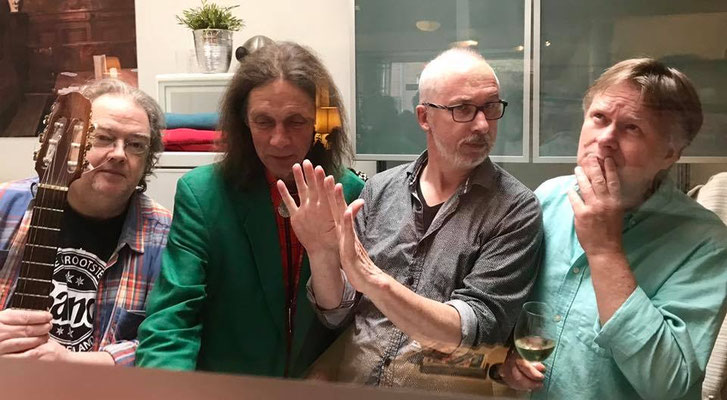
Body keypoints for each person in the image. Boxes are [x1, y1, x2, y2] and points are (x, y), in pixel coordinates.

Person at [279, 47, 543, 388]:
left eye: (491, 107)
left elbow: (476, 331)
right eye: (463, 109)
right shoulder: (380, 190)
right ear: (424, 117)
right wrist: (320, 254)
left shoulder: (515, 209)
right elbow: (337, 313)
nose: (482, 125)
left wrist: (373, 280)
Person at [498, 58, 727, 399]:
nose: (605, 138)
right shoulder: (548, 198)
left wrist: (605, 250)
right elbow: (510, 305)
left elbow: (667, 385)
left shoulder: (706, 242)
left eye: (632, 127)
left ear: (670, 153)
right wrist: (506, 358)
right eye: (599, 118)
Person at [135, 41, 365, 377]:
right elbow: (172, 318)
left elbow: (357, 319)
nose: (279, 140)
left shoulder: (349, 192)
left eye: (296, 121)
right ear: (243, 120)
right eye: (263, 122)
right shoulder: (203, 195)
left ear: (321, 122)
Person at [0, 79, 171, 366]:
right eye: (103, 137)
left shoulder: (165, 234)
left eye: (136, 145)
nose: (119, 154)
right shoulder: (5, 205)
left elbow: (170, 338)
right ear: (70, 143)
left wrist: (73, 364)